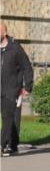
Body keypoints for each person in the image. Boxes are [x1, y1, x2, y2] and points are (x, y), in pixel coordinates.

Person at [0, 21, 33, 157]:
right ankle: (10, 143)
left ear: (4, 33)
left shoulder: (15, 48)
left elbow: (27, 67)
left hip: (11, 89)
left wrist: (28, 86)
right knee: (8, 118)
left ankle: (4, 144)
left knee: (7, 117)